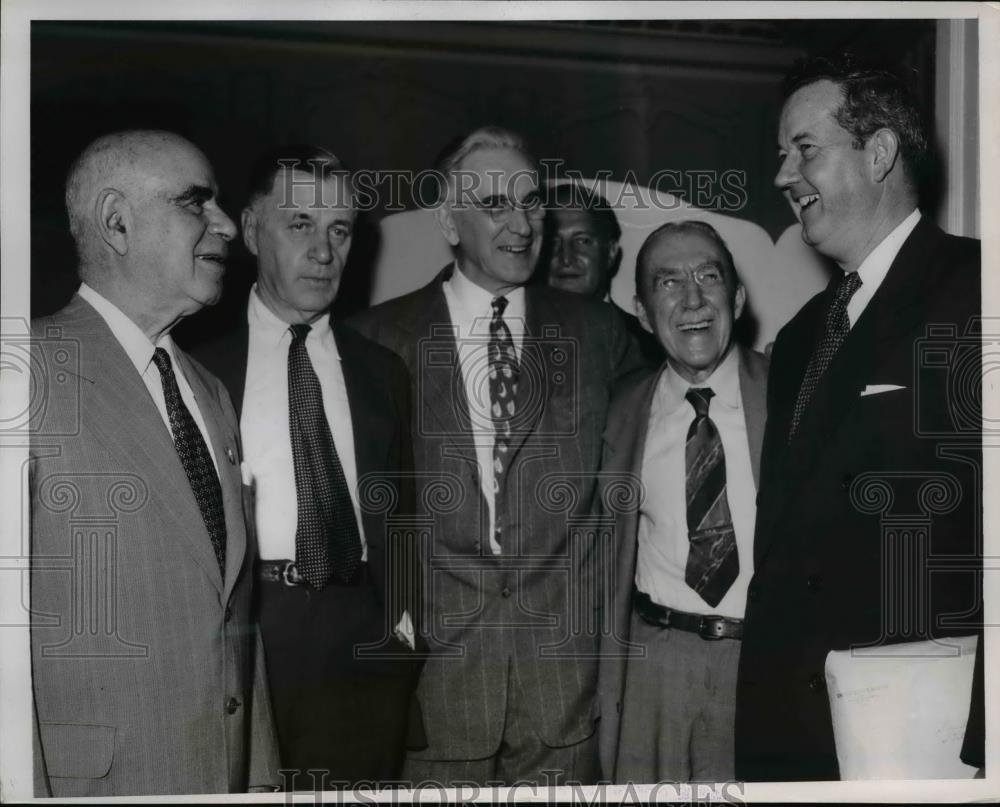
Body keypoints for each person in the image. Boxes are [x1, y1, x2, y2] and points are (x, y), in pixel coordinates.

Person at [349, 126, 645, 785]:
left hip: (564, 694)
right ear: (451, 222)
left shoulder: (600, 335)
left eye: (531, 201)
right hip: (437, 687)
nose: (523, 224)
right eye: (494, 205)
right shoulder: (374, 340)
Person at [735, 54, 983, 781]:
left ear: (878, 154)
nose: (782, 177)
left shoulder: (976, 291)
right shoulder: (803, 335)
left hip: (919, 729)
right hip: (796, 726)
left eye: (804, 150)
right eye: (781, 156)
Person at [29, 130, 279, 796]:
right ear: (117, 220)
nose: (227, 226)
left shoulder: (208, 390)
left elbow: (230, 623)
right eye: (197, 203)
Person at [192, 145, 422, 789]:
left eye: (339, 230)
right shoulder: (195, 367)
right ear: (251, 228)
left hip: (361, 644)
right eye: (300, 225)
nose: (323, 252)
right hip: (249, 635)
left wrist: (403, 628)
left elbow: (403, 509)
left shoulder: (382, 372)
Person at [596, 220, 768, 782]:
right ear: (643, 314)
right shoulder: (618, 411)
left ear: (737, 298)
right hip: (654, 664)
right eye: (667, 283)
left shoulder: (794, 393)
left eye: (708, 276)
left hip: (763, 662)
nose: (692, 298)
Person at [543, 183, 664, 365]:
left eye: (582, 241)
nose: (566, 258)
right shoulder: (512, 333)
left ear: (611, 252)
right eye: (553, 243)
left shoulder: (651, 346)